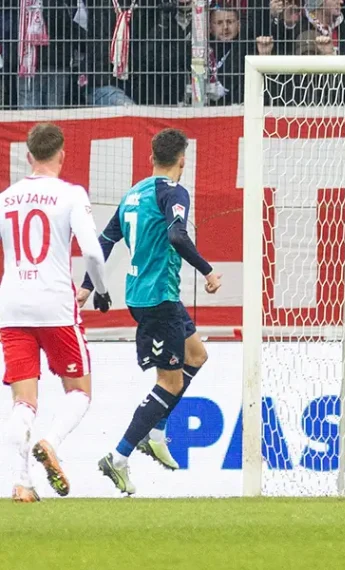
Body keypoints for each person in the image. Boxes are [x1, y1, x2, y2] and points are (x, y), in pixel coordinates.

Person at [79, 129, 221, 495]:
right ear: (182, 160)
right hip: (158, 298)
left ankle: (156, 432)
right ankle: (120, 455)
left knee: (197, 355)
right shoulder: (173, 192)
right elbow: (177, 235)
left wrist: (88, 286)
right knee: (169, 382)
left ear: (151, 158)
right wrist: (207, 270)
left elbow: (106, 240)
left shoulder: (132, 193)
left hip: (149, 295)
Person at [1, 123, 111, 502]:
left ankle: (20, 483)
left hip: (12, 306)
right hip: (56, 307)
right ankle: (51, 442)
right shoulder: (70, 195)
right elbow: (93, 252)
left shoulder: (6, 197)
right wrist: (101, 288)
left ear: (28, 156)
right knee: (79, 392)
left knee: (23, 401)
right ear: (62, 154)